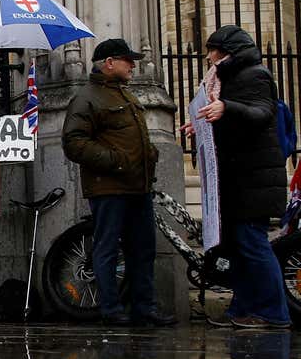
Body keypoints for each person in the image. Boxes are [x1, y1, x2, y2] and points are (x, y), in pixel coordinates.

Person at [61, 38, 174, 327]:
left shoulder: (126, 95)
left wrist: (149, 154)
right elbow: (74, 143)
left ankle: (143, 307)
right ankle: (110, 309)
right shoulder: (86, 98)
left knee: (143, 248)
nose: (133, 65)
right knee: (107, 248)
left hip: (138, 186)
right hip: (109, 188)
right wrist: (115, 160)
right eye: (127, 59)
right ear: (109, 63)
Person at [194, 26, 290, 329]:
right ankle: (243, 310)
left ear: (228, 51)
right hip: (240, 181)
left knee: (254, 247)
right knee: (240, 249)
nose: (209, 57)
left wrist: (226, 107)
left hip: (254, 182)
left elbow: (261, 113)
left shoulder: (255, 75)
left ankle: (274, 313)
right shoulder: (230, 80)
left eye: (213, 50)